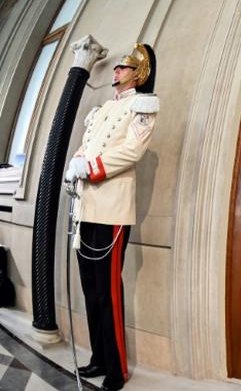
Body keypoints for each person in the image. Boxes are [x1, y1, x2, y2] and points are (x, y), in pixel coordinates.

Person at [65, 43, 159, 391]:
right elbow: (86, 145)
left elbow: (132, 150)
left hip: (112, 210)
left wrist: (89, 168)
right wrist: (73, 168)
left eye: (123, 67)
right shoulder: (104, 109)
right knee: (91, 290)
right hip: (86, 208)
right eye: (117, 67)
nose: (116, 72)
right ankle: (99, 358)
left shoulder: (143, 105)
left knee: (109, 292)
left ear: (138, 73)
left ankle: (117, 369)